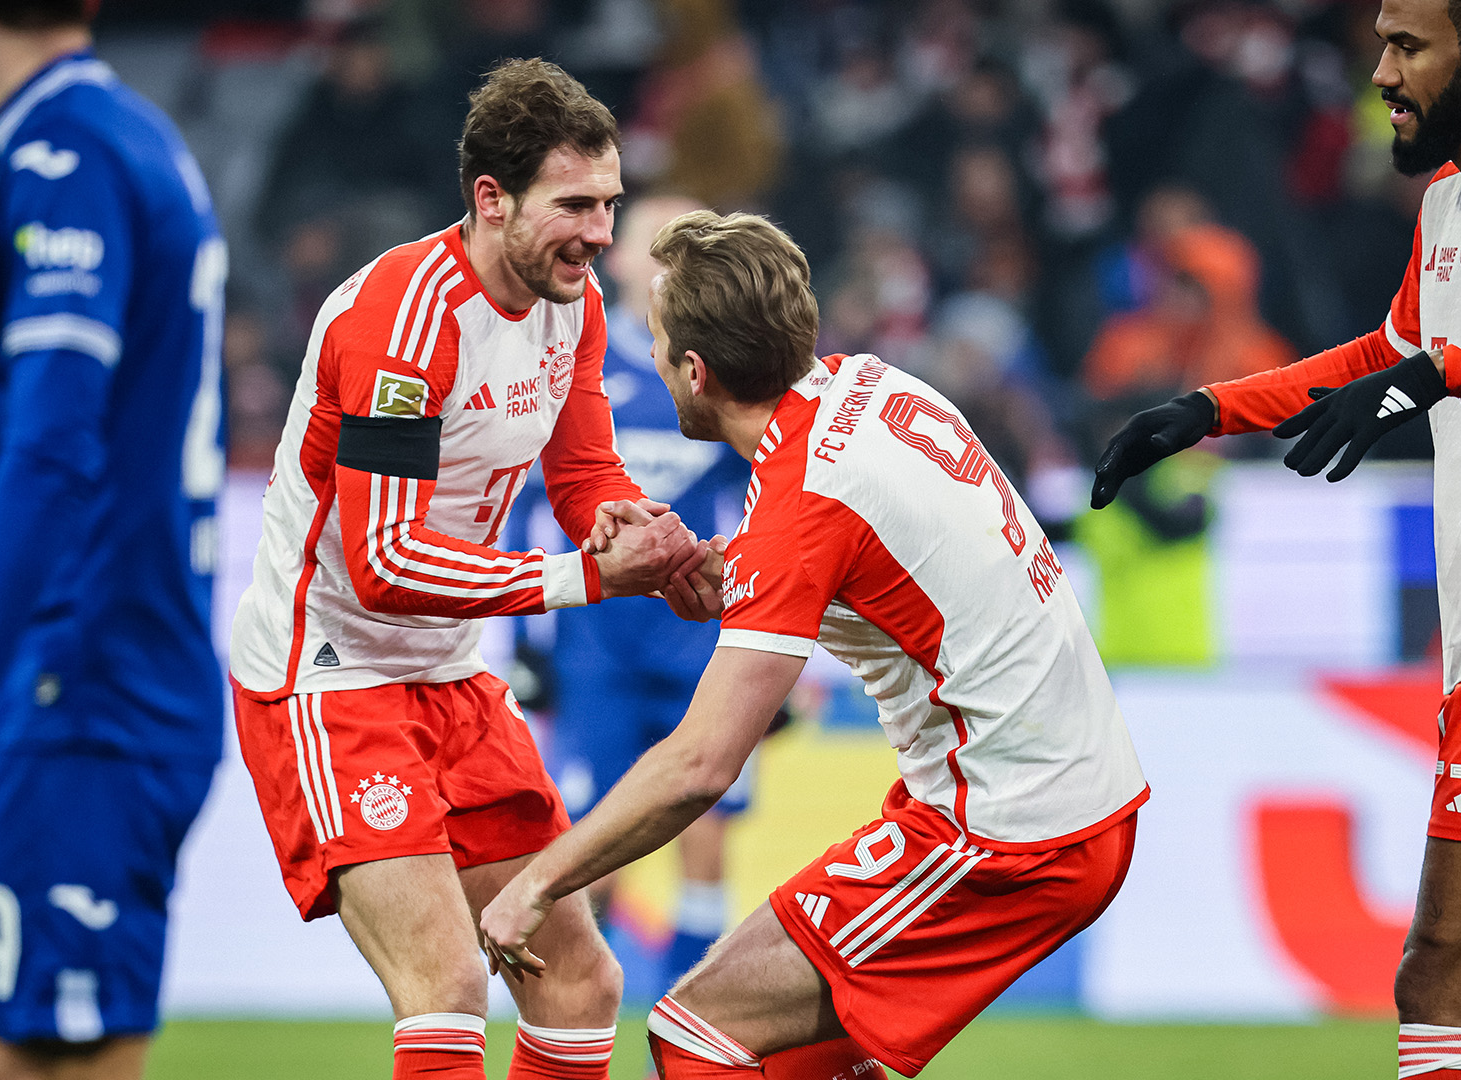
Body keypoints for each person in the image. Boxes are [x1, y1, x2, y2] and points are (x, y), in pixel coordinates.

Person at [479, 211, 1150, 1079]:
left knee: (697, 1034)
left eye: (654, 341)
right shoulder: (869, 387)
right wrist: (731, 574)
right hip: (1053, 799)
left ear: (695, 370)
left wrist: (537, 884)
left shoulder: (802, 499)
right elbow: (877, 564)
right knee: (808, 1061)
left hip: (1011, 831)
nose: (647, 360)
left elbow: (698, 766)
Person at [227, 59, 702, 1080]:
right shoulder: (404, 323)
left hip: (447, 674)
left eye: (609, 204)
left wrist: (642, 536)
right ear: (491, 200)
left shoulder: (570, 304)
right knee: (447, 981)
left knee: (576, 976)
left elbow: (584, 472)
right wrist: (588, 577)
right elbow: (386, 559)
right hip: (331, 674)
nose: (602, 235)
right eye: (575, 204)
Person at [1091, 0, 1461, 1074]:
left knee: (1441, 980)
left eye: (1406, 47)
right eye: (1379, 43)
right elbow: (1379, 353)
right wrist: (1206, 410)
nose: (1379, 70)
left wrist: (1443, 376)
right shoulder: (1448, 204)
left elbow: (1423, 365)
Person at [0, 1, 227, 1078]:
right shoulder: (129, 136)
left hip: (79, 694)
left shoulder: (66, 153)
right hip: (54, 689)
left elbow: (53, 449)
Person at [517, 192, 757, 994]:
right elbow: (528, 507)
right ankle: (575, 991)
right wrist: (526, 642)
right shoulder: (575, 360)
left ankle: (694, 995)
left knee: (708, 818)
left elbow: (771, 501)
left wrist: (779, 632)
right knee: (594, 824)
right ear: (614, 255)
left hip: (698, 636)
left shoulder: (721, 369)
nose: (659, 256)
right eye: (649, 240)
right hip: (599, 642)